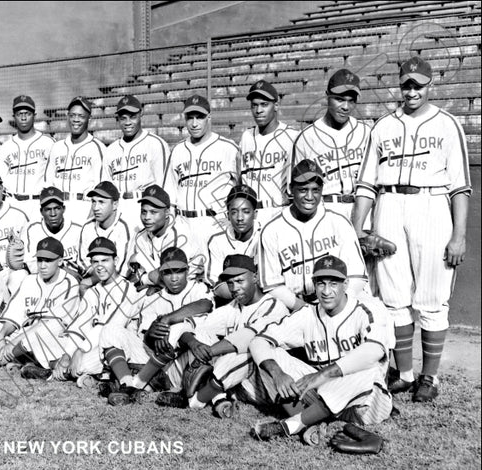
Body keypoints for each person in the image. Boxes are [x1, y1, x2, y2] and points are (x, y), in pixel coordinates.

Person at [352, 56, 472, 402]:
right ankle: (404, 373)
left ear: (429, 86)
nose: (412, 90)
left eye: (418, 84)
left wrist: (459, 235)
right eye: (407, 84)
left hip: (431, 206)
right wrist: (355, 231)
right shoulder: (382, 127)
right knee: (393, 296)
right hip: (389, 205)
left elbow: (460, 187)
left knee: (432, 298)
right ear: (399, 85)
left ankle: (429, 377)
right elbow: (366, 185)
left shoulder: (448, 125)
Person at [248, 255, 393, 443]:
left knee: (367, 369)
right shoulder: (308, 313)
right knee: (272, 357)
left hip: (367, 405)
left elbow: (374, 351)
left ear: (346, 284)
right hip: (324, 397)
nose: (326, 291)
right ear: (314, 285)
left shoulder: (366, 310)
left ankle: (292, 425)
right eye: (321, 284)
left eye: (333, 284)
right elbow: (258, 341)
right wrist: (277, 373)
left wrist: (321, 375)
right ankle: (314, 419)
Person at [155, 254, 288, 418]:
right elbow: (193, 325)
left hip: (267, 384)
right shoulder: (233, 307)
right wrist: (193, 343)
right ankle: (217, 397)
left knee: (247, 351)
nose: (235, 288)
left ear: (255, 277)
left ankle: (194, 400)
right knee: (202, 336)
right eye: (230, 283)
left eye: (240, 281)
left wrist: (208, 352)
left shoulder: (274, 306)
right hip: (235, 382)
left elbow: (248, 338)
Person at [104, 247, 214, 405]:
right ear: (161, 274)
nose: (174, 278)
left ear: (187, 271)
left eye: (179, 271)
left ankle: (140, 384)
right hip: (155, 360)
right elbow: (146, 337)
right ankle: (127, 385)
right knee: (109, 330)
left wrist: (167, 319)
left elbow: (205, 305)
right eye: (168, 272)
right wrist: (153, 333)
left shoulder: (198, 289)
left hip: (186, 362)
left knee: (178, 328)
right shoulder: (153, 297)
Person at [259, 159, 367, 312]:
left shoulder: (338, 222)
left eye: (315, 190)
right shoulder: (272, 229)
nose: (310, 196)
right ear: (291, 189)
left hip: (337, 302)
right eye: (303, 190)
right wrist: (302, 308)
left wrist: (339, 304)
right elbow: (272, 284)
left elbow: (357, 274)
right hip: (292, 305)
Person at [0, 237, 81, 379]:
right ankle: (21, 360)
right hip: (26, 333)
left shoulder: (69, 283)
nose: (42, 265)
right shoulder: (30, 280)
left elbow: (51, 323)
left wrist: (13, 343)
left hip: (55, 336)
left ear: (60, 261)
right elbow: (15, 315)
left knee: (43, 332)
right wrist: (1, 335)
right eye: (40, 260)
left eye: (48, 260)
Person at [51, 237, 145, 387]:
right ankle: (100, 377)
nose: (100, 266)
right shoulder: (91, 292)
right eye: (95, 262)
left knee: (83, 361)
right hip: (101, 347)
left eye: (105, 260)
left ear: (116, 260)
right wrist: (67, 355)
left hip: (129, 349)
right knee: (64, 350)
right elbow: (79, 326)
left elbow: (111, 326)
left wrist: (80, 351)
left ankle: (121, 381)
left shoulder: (128, 289)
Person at [292, 69, 370, 222]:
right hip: (325, 211)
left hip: (362, 210)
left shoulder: (366, 132)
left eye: (351, 100)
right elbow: (295, 189)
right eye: (340, 99)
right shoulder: (307, 137)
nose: (346, 107)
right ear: (327, 96)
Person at [164, 94, 240, 241]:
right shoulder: (178, 150)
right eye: (190, 118)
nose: (194, 123)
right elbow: (170, 192)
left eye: (199, 117)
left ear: (209, 118)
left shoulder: (228, 148)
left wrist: (232, 218)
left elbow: (242, 188)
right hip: (182, 223)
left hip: (213, 222)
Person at [103, 95, 170, 228]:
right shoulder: (111, 150)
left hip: (143, 208)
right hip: (117, 209)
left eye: (132, 116)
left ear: (141, 114)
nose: (128, 122)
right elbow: (106, 188)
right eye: (123, 118)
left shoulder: (155, 144)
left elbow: (164, 186)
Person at [240, 80, 298, 219]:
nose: (258, 110)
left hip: (278, 210)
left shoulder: (291, 136)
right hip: (250, 213)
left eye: (264, 105)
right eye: (254, 105)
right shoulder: (246, 136)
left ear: (276, 105)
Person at [131, 185, 205, 290]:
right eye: (144, 211)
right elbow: (136, 270)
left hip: (190, 288)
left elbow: (170, 278)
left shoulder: (180, 235)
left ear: (167, 213)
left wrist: (144, 276)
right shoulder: (140, 236)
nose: (147, 217)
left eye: (153, 212)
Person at [45, 96, 106, 223]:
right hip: (58, 209)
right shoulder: (57, 147)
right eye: (73, 115)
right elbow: (48, 184)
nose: (76, 120)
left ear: (89, 118)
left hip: (83, 207)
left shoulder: (98, 148)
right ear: (67, 117)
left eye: (81, 116)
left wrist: (91, 219)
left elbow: (101, 189)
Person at [0, 95, 55, 220]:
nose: (23, 117)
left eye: (27, 113)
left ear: (35, 115)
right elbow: (0, 179)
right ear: (14, 117)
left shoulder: (48, 143)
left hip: (37, 203)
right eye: (19, 114)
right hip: (12, 203)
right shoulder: (6, 146)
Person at [205, 185, 263, 300]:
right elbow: (217, 285)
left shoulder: (266, 236)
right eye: (234, 212)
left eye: (246, 211)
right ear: (228, 215)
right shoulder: (217, 241)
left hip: (262, 299)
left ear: (255, 213)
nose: (240, 218)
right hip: (230, 302)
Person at [16, 186, 83, 278]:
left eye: (57, 208)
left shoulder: (78, 230)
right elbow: (31, 264)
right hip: (42, 278)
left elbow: (83, 265)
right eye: (48, 209)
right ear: (41, 212)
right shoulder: (32, 229)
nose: (53, 214)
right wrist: (63, 270)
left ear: (64, 209)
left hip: (72, 280)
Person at [79, 181, 136, 278]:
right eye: (93, 202)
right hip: (94, 278)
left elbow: (121, 270)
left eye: (101, 202)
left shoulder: (126, 228)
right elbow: (82, 262)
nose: (96, 208)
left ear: (115, 205)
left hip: (120, 282)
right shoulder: (87, 226)